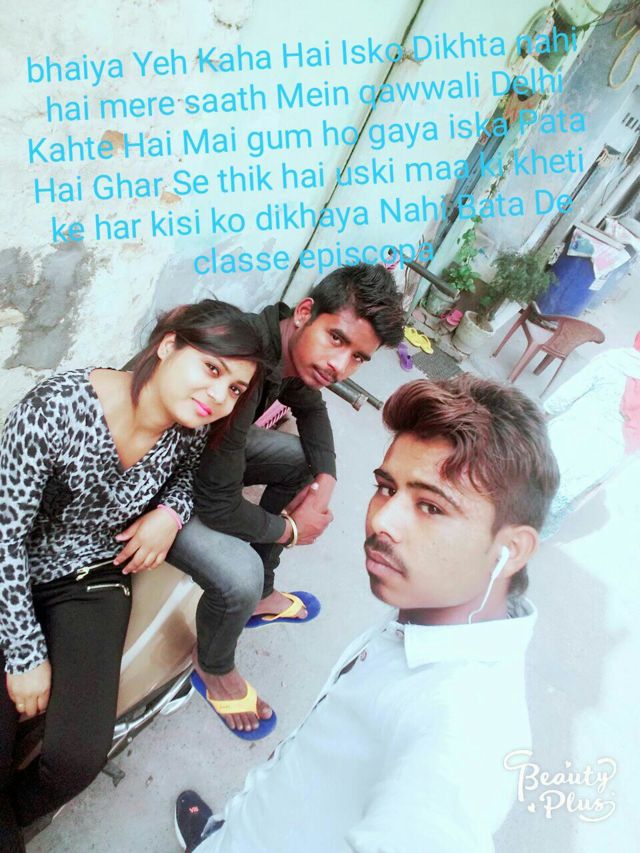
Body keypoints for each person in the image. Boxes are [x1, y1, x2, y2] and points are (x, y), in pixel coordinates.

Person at [174, 374, 560, 852]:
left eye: (431, 507)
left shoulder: (466, 727)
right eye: (386, 487)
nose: (381, 520)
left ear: (512, 549)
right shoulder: (432, 611)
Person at [0, 300, 266, 852]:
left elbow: (189, 478)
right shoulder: (57, 408)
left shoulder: (188, 428)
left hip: (96, 574)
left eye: (235, 388)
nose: (219, 395)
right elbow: (5, 536)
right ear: (167, 346)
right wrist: (24, 654)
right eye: (212, 368)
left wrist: (169, 513)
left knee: (75, 760)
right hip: (15, 564)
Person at [168, 263, 405, 737]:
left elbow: (312, 412)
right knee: (240, 574)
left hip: (204, 458)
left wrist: (326, 479)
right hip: (155, 489)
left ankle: (261, 595)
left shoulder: (287, 349)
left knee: (304, 463)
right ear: (304, 312)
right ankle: (213, 665)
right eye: (336, 339)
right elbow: (217, 504)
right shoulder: (248, 358)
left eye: (358, 358)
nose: (339, 366)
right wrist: (291, 530)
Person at [542, 331, 640, 538]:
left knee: (529, 479)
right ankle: (518, 545)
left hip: (569, 433)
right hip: (605, 456)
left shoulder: (612, 360)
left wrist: (542, 416)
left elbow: (568, 393)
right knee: (557, 501)